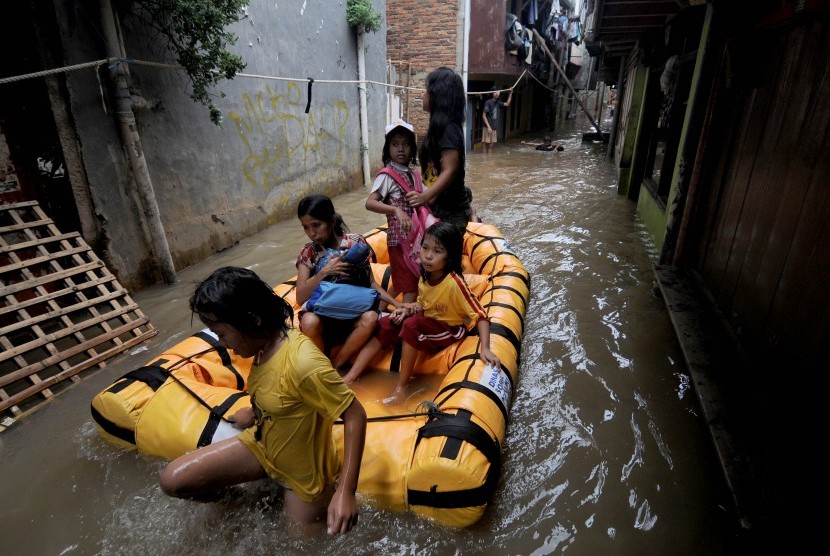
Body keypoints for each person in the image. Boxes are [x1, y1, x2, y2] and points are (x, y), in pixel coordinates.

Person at [159, 266, 367, 537]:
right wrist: (256, 412)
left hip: (304, 477)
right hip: (263, 446)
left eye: (222, 334)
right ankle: (244, 503)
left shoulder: (304, 364)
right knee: (172, 481)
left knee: (295, 546)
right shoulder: (262, 348)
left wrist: (345, 492)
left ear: (254, 320)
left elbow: (355, 416)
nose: (221, 343)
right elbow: (282, 393)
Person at [344, 222, 500, 402]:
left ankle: (402, 387)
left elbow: (480, 315)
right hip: (428, 321)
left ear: (450, 257)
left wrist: (486, 348)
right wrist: (408, 309)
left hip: (449, 329)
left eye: (437, 251)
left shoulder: (455, 283)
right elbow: (424, 304)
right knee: (388, 322)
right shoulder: (425, 274)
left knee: (411, 326)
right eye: (425, 248)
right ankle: (352, 375)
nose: (428, 256)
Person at [295, 195, 398, 370]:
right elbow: (300, 296)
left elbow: (371, 283)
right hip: (323, 317)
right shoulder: (309, 251)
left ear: (331, 221)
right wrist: (324, 272)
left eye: (316, 225)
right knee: (309, 322)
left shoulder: (355, 243)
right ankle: (324, 368)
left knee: (371, 317)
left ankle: (335, 367)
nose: (312, 233)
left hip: (352, 314)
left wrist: (396, 304)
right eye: (306, 227)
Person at [365, 119, 421, 306]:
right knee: (411, 285)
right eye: (395, 144)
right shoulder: (387, 175)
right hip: (400, 242)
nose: (401, 149)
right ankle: (404, 325)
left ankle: (379, 310)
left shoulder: (414, 173)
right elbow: (370, 203)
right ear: (388, 148)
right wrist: (396, 209)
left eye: (405, 144)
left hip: (416, 240)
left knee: (399, 281)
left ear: (412, 148)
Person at [412, 67, 471, 236]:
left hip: (451, 213)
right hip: (437, 208)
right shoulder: (438, 128)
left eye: (427, 92)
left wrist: (423, 197)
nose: (423, 96)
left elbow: (450, 170)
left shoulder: (449, 129)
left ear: (439, 97)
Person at [481, 87, 513, 153]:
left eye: (498, 92)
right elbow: (484, 115)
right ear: (492, 93)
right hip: (487, 127)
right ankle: (484, 161)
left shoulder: (498, 103)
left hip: (494, 127)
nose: (497, 93)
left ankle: (489, 161)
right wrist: (489, 127)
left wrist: (510, 93)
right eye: (495, 92)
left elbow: (507, 104)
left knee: (491, 146)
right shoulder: (488, 102)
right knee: (486, 144)